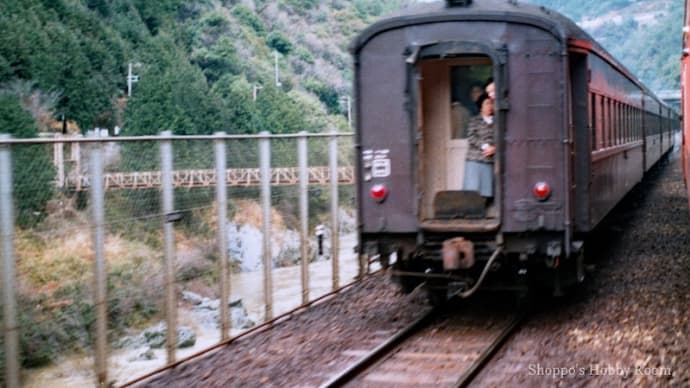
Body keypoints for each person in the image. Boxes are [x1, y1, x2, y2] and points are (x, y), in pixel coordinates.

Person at [463, 93, 495, 199]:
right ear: (481, 107)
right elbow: (471, 137)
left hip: (489, 160)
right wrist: (485, 146)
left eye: (491, 103)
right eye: (487, 103)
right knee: (472, 190)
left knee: (486, 191)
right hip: (474, 159)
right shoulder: (475, 120)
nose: (490, 106)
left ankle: (484, 212)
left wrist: (495, 148)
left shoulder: (498, 121)